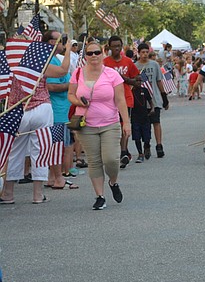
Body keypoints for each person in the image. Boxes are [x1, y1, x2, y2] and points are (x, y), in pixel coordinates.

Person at [1, 29, 71, 205]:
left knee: (14, 152)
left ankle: (8, 193)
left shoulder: (8, 62)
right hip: (41, 108)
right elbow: (63, 71)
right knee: (41, 151)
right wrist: (68, 49)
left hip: (16, 110)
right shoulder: (38, 62)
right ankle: (37, 194)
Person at [68, 41, 131, 210]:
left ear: (102, 53)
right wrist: (79, 102)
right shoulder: (78, 73)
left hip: (110, 123)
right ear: (85, 56)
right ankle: (100, 196)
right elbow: (71, 94)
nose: (94, 56)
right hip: (86, 124)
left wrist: (126, 122)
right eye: (90, 53)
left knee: (111, 159)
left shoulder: (112, 74)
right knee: (94, 161)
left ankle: (113, 182)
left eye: (97, 52)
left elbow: (120, 100)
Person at [44, 36, 77, 190]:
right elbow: (51, 86)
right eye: (61, 40)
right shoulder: (49, 60)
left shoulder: (56, 59)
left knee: (62, 145)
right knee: (57, 146)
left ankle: (52, 177)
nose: (65, 43)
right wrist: (71, 86)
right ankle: (58, 178)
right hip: (57, 111)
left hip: (63, 110)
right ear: (51, 42)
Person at [103, 36, 140, 168]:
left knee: (125, 124)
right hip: (109, 100)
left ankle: (123, 152)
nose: (117, 48)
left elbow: (138, 79)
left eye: (119, 46)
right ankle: (121, 150)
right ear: (109, 47)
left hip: (126, 98)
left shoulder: (128, 61)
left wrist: (126, 79)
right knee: (115, 126)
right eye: (114, 46)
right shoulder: (105, 63)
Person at [135, 43, 168, 158]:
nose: (145, 54)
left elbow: (159, 81)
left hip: (155, 98)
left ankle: (159, 145)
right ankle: (147, 144)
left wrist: (164, 97)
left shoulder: (154, 65)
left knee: (156, 122)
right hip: (142, 100)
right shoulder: (135, 66)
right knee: (145, 124)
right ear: (138, 53)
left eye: (146, 52)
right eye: (142, 52)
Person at [130, 79, 153, 163]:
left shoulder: (145, 90)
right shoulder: (131, 92)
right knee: (137, 137)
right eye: (137, 81)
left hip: (145, 117)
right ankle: (140, 154)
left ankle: (147, 146)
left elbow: (150, 100)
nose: (139, 82)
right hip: (135, 117)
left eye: (140, 81)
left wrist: (152, 108)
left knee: (147, 136)